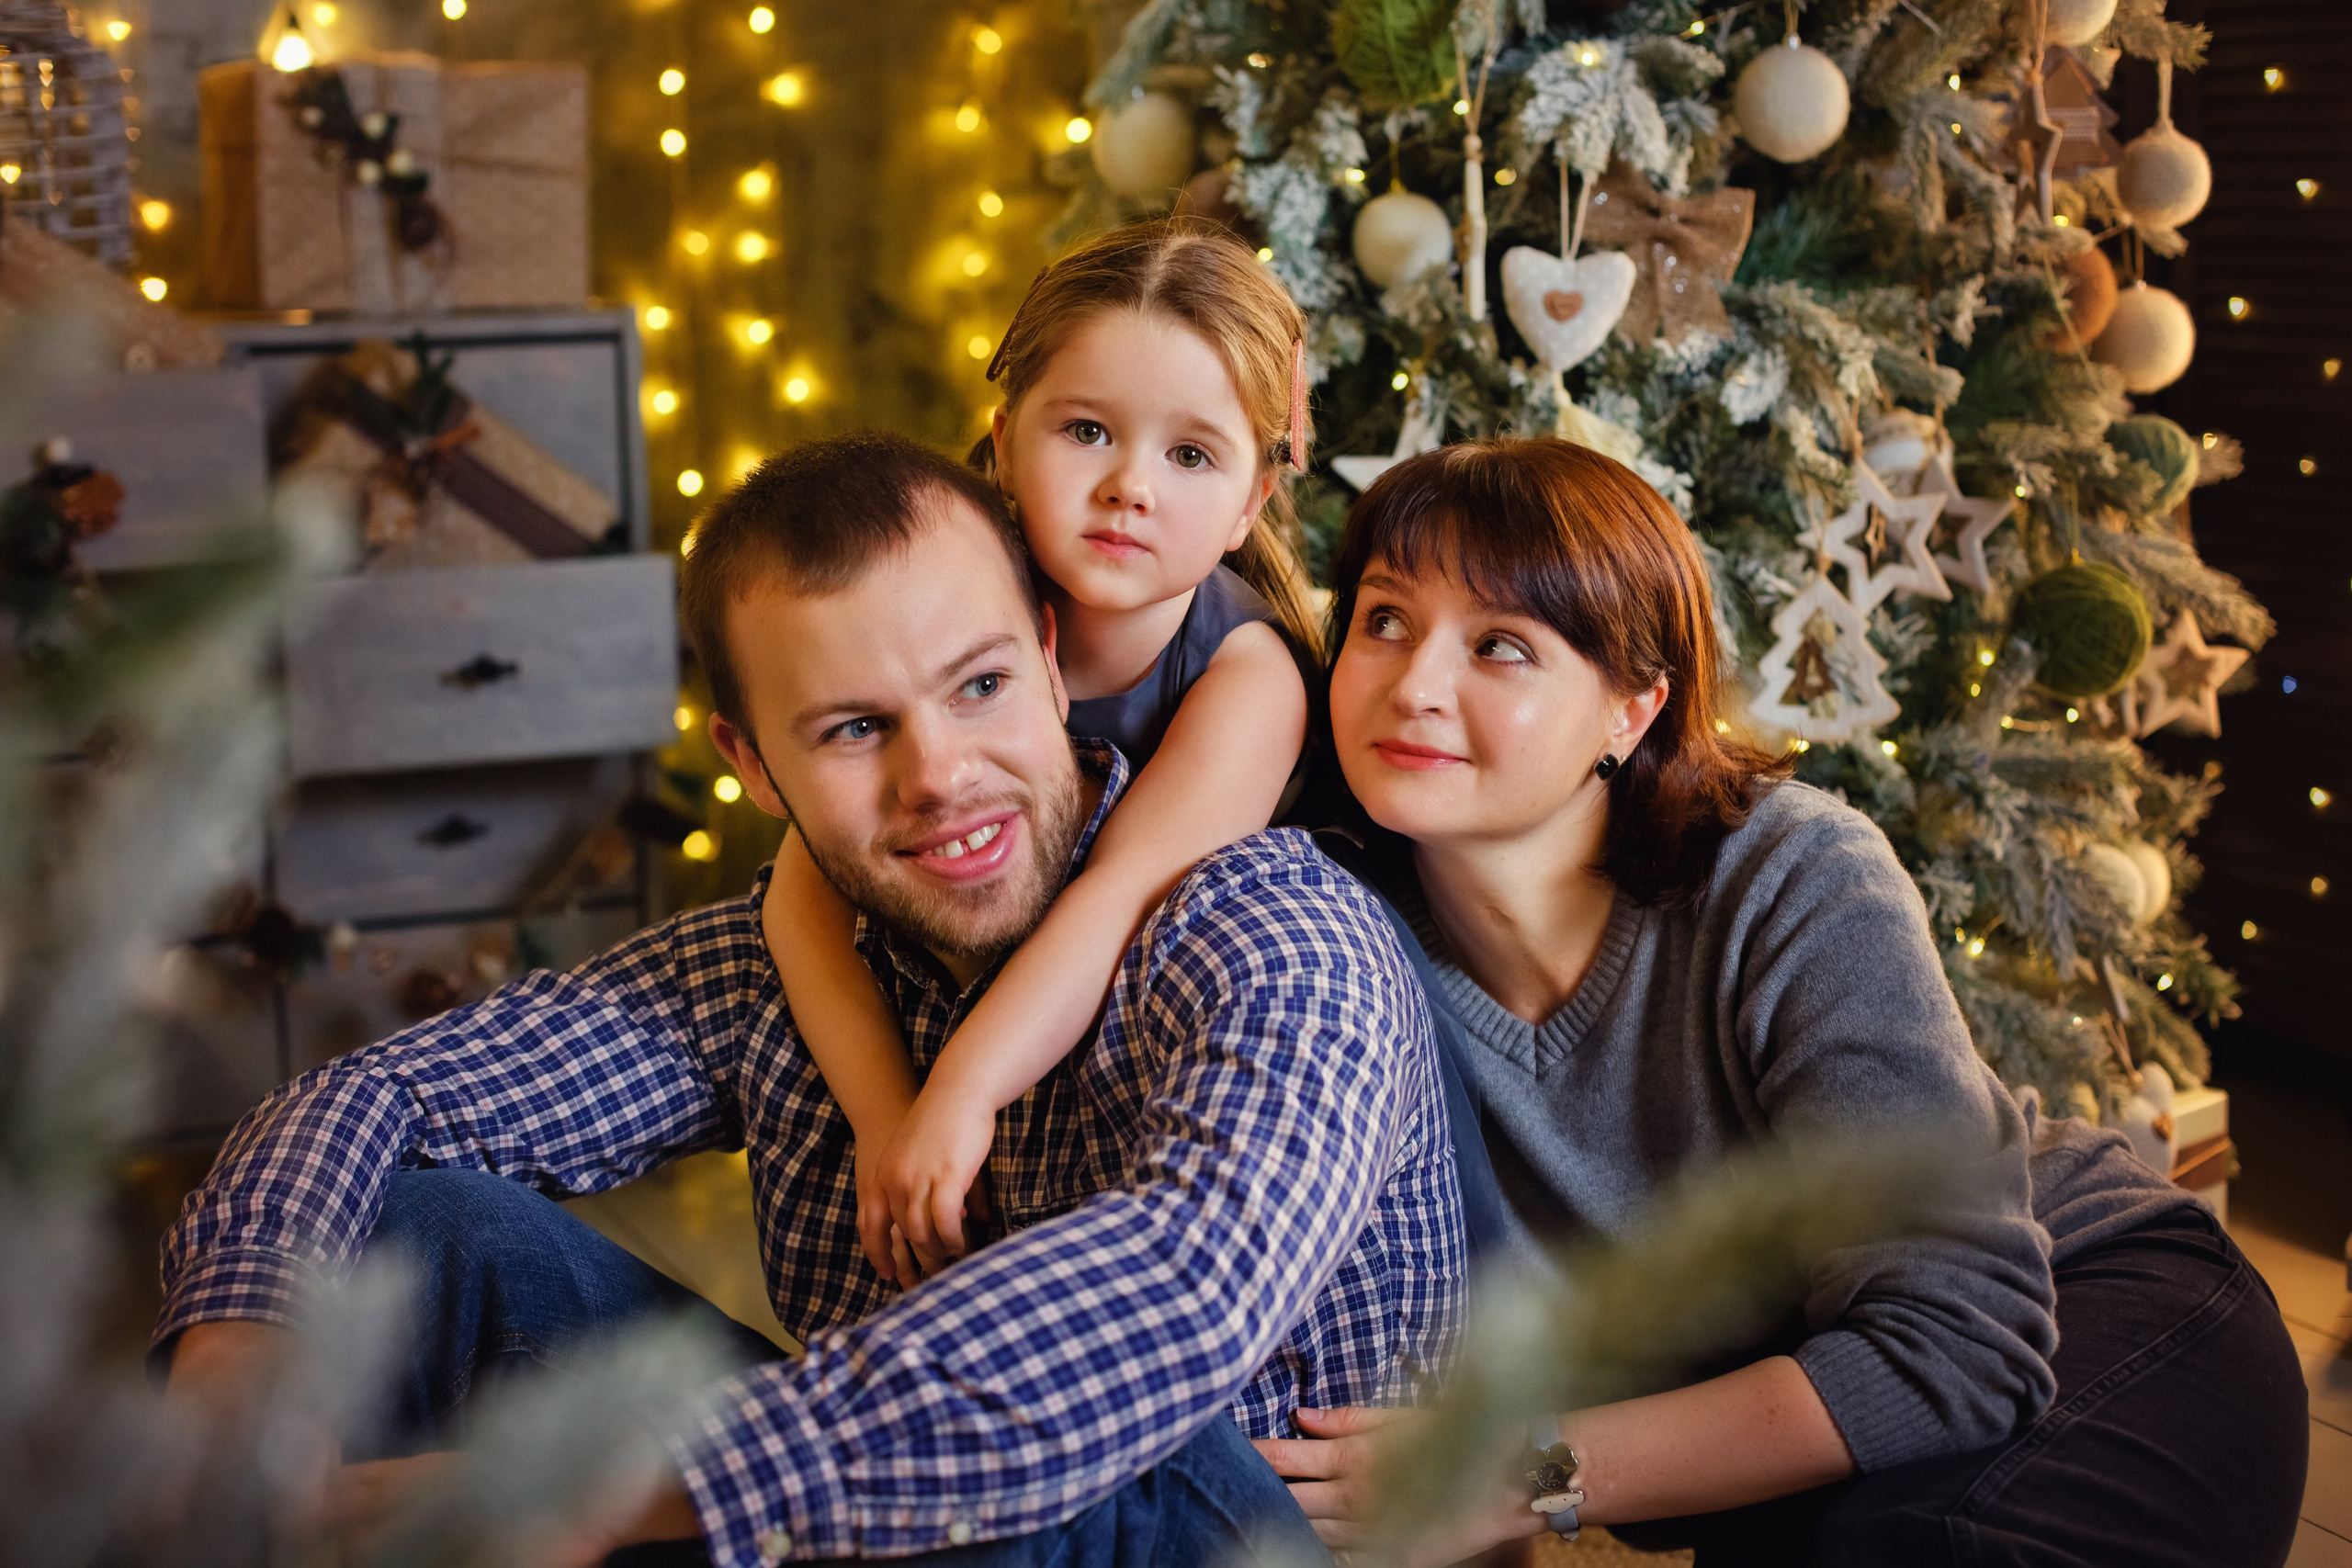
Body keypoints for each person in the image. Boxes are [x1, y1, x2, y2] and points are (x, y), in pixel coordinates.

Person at [152, 431, 1468, 1563]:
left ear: (1049, 655)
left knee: (1098, 1428)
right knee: (409, 1230)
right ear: (754, 764)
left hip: (1220, 1529)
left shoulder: (1275, 934)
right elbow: (388, 1092)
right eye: (852, 728)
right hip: (870, 1519)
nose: (938, 776)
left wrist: (585, 1487)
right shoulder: (789, 955)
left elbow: (1176, 1296)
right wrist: (233, 1359)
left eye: (981, 686)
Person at [1255, 437, 2307, 1567]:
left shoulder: (1790, 872)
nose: (1413, 684)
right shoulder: (1328, 936)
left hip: (2086, 1307)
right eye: (1383, 619)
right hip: (1802, 1436)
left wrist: (1522, 1475)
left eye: (1500, 644)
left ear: (1631, 710)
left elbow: (1955, 1346)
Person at [760, 219, 1326, 1286]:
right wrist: (887, 1117)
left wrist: (962, 1093)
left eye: (1190, 455)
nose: (1129, 487)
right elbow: (801, 890)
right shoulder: (957, 606)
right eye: (1086, 431)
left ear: (1250, 502)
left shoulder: (1250, 679)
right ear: (1006, 438)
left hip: (1173, 1056)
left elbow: (1116, 902)